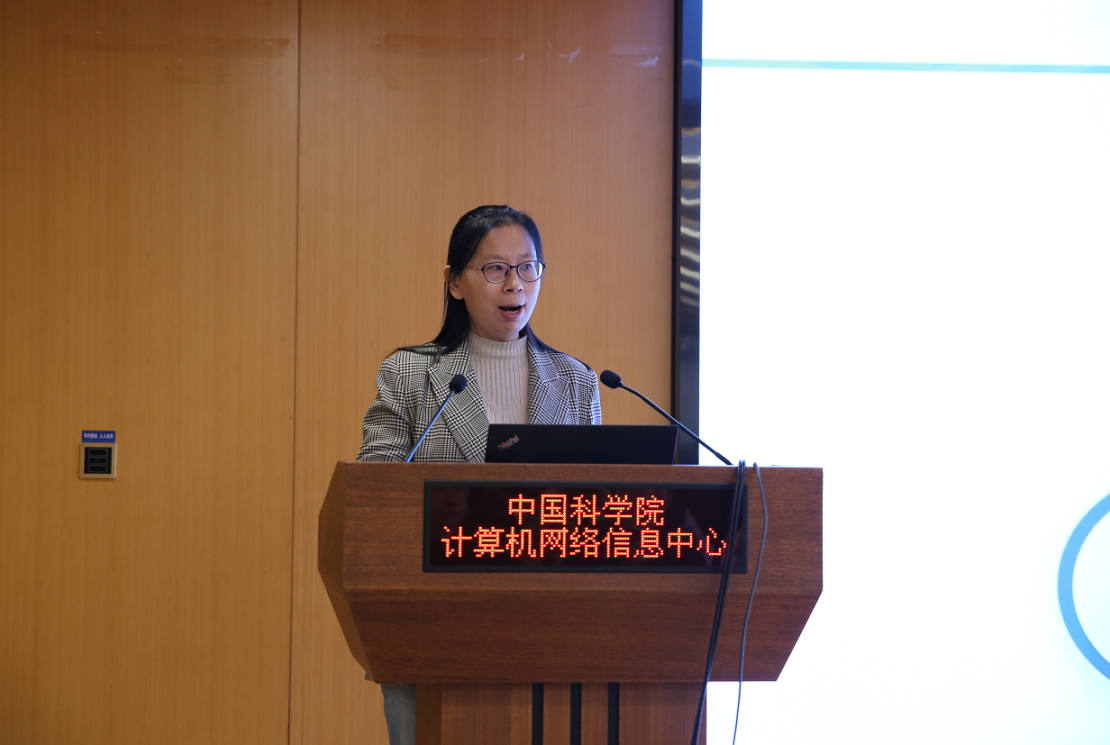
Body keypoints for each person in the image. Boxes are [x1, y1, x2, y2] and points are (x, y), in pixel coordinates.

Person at [355, 205, 602, 745]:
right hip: (433, 626)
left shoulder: (577, 382)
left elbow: (592, 510)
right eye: (494, 269)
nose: (515, 284)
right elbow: (374, 495)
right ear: (455, 282)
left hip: (547, 633)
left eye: (527, 267)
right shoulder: (410, 374)